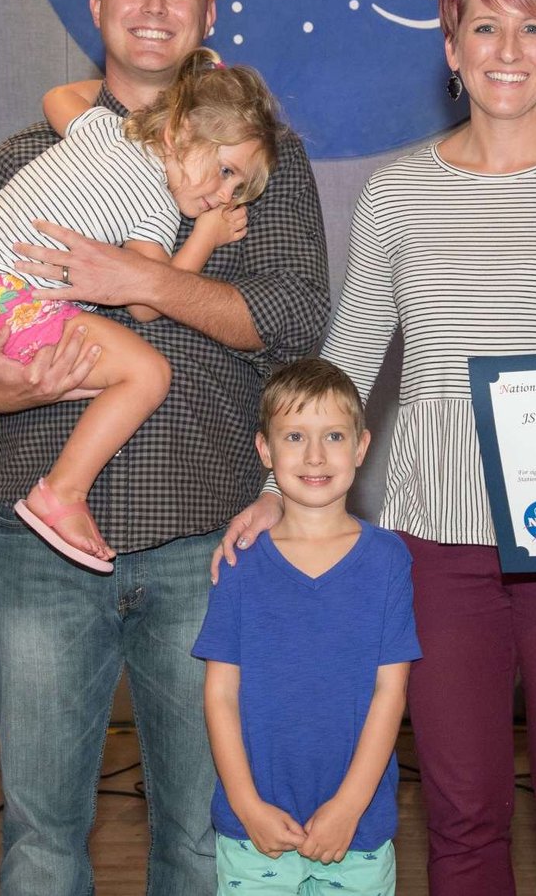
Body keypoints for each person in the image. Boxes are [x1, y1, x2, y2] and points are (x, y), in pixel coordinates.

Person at [223, 0, 536, 895]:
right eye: (484, 26)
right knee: (463, 815)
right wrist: (274, 486)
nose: (507, 49)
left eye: (533, 28)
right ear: (451, 47)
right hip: (435, 545)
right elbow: (348, 357)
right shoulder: (397, 193)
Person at [0, 0, 329, 894]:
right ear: (95, 8)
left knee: (198, 834)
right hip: (39, 545)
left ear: (208, 15)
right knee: (39, 837)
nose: (153, 7)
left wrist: (135, 275)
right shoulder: (25, 153)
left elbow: (295, 318)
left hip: (205, 537)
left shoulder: (258, 161)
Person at [0, 47, 279, 573]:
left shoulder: (103, 131)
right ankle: (61, 492)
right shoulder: (155, 202)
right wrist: (204, 236)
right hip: (15, 307)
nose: (223, 196)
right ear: (179, 132)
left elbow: (57, 96)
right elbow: (147, 300)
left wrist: (168, 101)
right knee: (147, 372)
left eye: (237, 188)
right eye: (225, 171)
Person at [194, 359, 419, 895]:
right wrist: (247, 806)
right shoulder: (239, 561)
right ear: (266, 452)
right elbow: (220, 694)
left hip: (355, 831)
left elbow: (392, 691)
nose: (315, 455)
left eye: (333, 436)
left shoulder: (389, 559)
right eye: (295, 436)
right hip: (255, 832)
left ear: (361, 448)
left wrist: (348, 807)